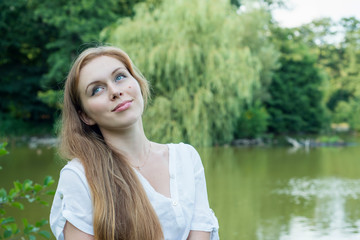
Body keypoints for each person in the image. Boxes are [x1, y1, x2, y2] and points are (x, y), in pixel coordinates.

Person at [49, 46, 219, 240]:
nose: (115, 91)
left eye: (120, 77)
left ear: (137, 83)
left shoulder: (186, 158)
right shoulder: (80, 176)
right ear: (85, 115)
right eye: (97, 90)